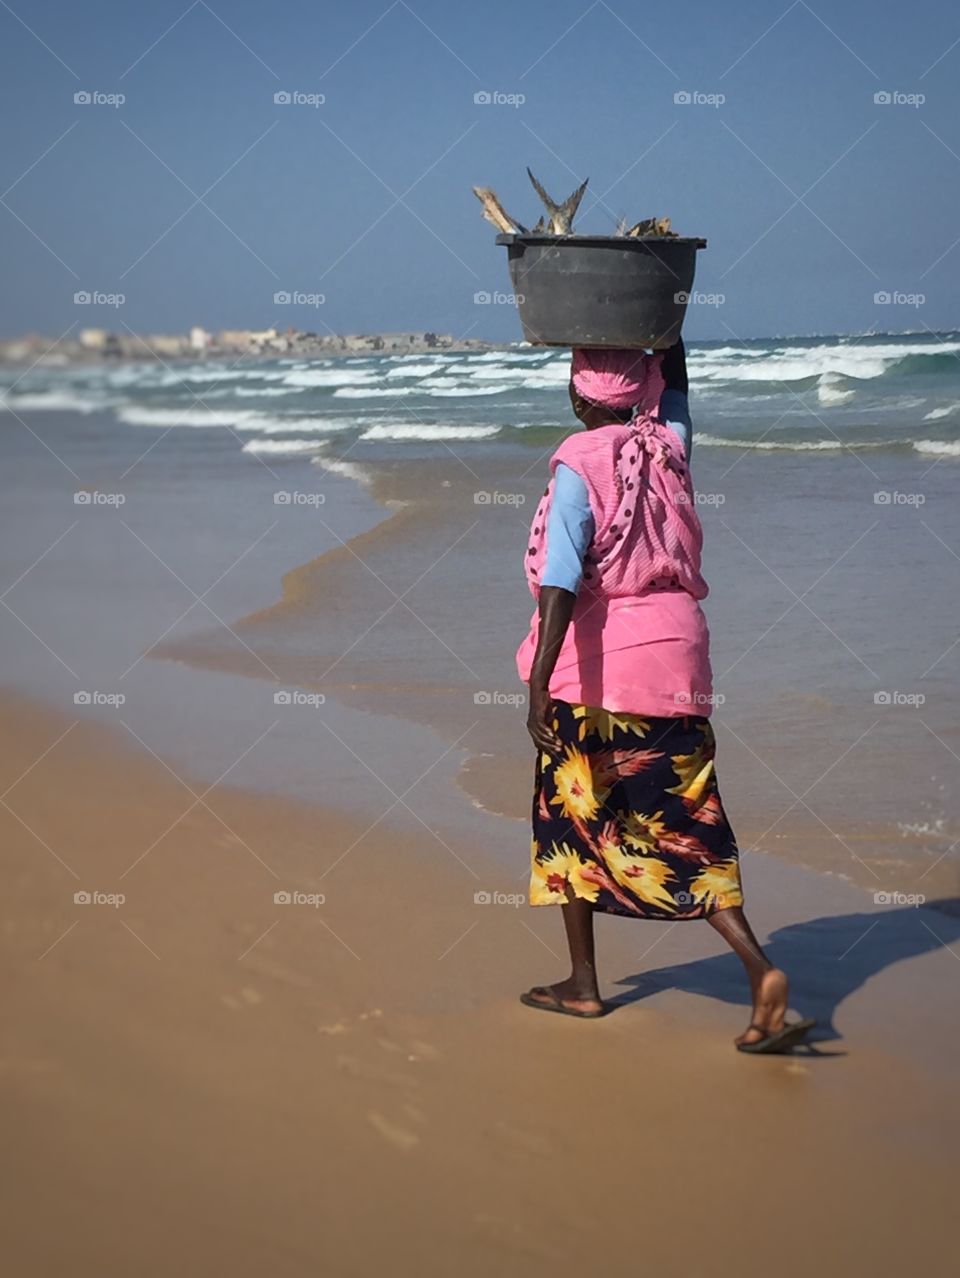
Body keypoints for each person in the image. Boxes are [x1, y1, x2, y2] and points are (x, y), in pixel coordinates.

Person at [515, 340, 815, 1053]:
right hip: (681, 664)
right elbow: (677, 382)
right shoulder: (669, 446)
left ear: (580, 397)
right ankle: (759, 969)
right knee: (690, 827)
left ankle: (585, 984)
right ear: (644, 391)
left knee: (570, 824)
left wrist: (537, 683)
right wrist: (666, 310)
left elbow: (560, 581)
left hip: (600, 675)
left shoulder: (578, 465)